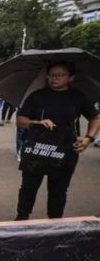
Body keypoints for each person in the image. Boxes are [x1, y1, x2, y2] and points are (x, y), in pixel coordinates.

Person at [14, 62, 99, 220]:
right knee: (28, 187)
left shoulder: (77, 97)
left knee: (58, 190)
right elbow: (20, 121)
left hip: (65, 149)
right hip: (36, 148)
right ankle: (21, 218)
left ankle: (54, 222)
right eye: (51, 75)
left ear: (70, 77)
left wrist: (88, 138)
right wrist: (37, 122)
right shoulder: (37, 96)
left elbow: (95, 117)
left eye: (60, 75)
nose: (54, 78)